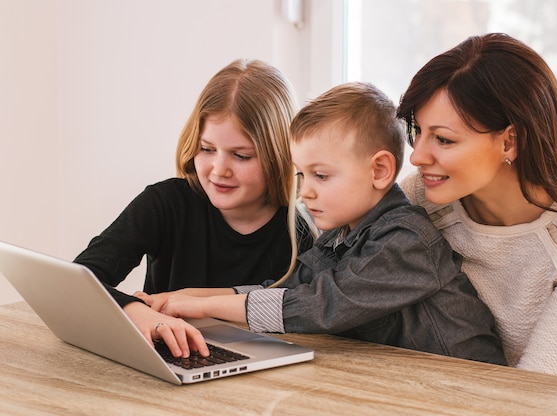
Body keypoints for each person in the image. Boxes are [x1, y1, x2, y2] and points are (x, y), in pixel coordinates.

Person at [139, 82, 507, 365]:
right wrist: (180, 299)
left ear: (379, 170)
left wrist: (205, 308)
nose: (305, 193)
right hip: (407, 382)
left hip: (470, 390)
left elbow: (321, 305)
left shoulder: (406, 240)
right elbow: (286, 286)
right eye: (301, 175)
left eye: (321, 176)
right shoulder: (338, 235)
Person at [396, 33, 557, 382]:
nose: (417, 156)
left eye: (443, 139)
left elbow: (542, 389)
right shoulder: (420, 195)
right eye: (417, 131)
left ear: (510, 140)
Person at [74, 59, 317, 359]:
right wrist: (137, 312)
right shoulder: (166, 203)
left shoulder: (302, 232)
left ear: (279, 155)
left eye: (241, 156)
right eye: (207, 149)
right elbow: (82, 278)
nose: (219, 170)